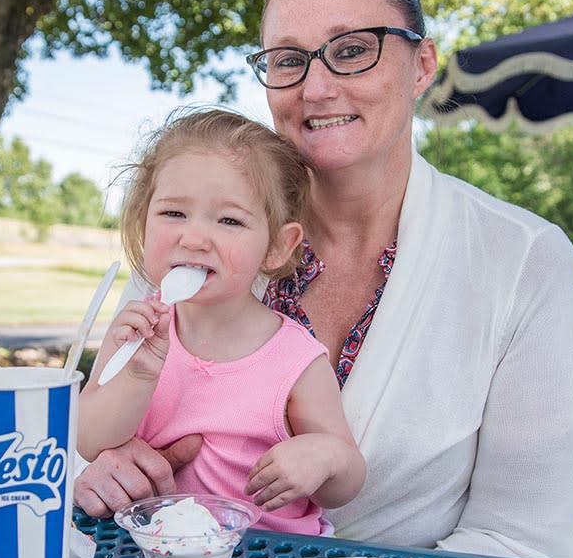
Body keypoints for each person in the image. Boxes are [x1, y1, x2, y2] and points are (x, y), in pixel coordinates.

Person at [76, 0, 573, 558]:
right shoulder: (195, 242)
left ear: (422, 65)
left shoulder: (523, 261)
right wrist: (105, 468)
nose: (317, 88)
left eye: (353, 51)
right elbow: (81, 430)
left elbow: (522, 542)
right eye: (288, 59)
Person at [77, 109, 365, 535]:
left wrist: (322, 457)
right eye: (173, 214)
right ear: (143, 222)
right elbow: (87, 440)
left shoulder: (295, 357)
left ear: (277, 247)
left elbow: (348, 477)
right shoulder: (135, 331)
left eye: (229, 220)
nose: (193, 238)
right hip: (152, 554)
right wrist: (136, 374)